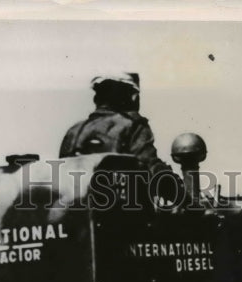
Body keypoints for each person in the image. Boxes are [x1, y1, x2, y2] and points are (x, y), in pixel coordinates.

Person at [59, 72, 180, 202]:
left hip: (76, 215)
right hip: (124, 217)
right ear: (132, 97)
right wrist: (185, 199)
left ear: (97, 97)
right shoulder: (133, 127)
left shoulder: (73, 131)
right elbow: (154, 171)